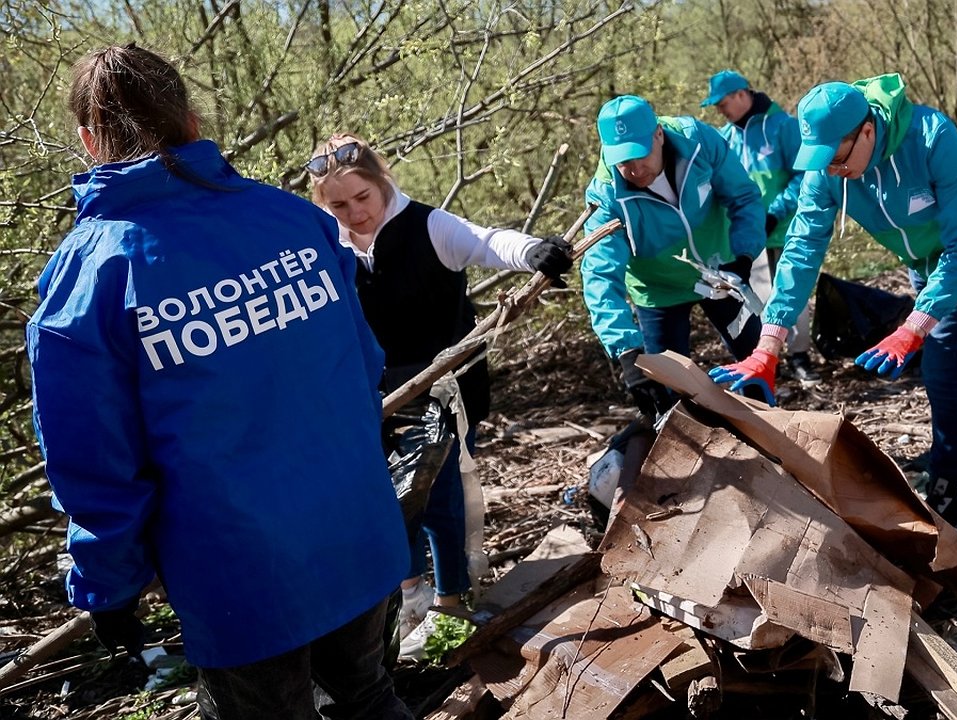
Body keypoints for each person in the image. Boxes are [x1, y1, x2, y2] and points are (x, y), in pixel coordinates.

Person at [30, 43, 412, 718]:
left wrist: (107, 589)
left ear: (90, 142)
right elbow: (364, 366)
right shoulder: (294, 219)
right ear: (192, 121)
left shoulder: (91, 277)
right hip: (357, 529)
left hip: (242, 575)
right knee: (370, 697)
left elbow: (95, 464)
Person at [307, 133, 572, 660]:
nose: (355, 213)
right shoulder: (326, 243)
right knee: (386, 496)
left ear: (382, 183)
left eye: (363, 197)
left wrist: (535, 252)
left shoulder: (428, 226)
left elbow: (489, 241)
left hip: (447, 386)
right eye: (339, 204)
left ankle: (451, 599)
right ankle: (411, 593)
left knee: (439, 495)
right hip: (376, 394)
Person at [710, 75, 957, 525]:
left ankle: (947, 483)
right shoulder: (826, 167)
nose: (831, 170)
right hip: (919, 255)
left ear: (867, 130)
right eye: (822, 161)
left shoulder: (931, 136)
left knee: (940, 344)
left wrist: (913, 326)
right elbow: (803, 248)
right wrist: (769, 343)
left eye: (838, 159)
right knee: (953, 338)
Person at [581, 95, 767, 417]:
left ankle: (774, 435)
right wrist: (627, 351)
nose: (635, 169)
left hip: (721, 274)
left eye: (640, 154)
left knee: (755, 360)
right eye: (623, 161)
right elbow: (599, 274)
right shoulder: (605, 196)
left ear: (658, 135)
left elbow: (744, 197)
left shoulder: (698, 142)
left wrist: (743, 256)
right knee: (668, 393)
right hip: (658, 290)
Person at [703, 70, 819, 386]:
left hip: (781, 229)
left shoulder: (783, 127)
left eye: (723, 103)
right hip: (743, 235)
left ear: (742, 94)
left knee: (790, 293)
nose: (721, 111)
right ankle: (764, 356)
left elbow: (805, 178)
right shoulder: (724, 138)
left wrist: (773, 214)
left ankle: (799, 356)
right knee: (753, 296)